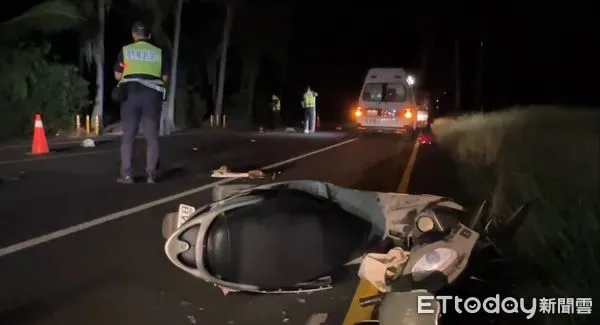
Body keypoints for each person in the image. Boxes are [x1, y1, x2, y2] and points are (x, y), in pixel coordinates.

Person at [113, 21, 169, 184]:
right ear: (149, 36)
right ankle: (151, 174)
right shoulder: (158, 53)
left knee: (129, 137)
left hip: (130, 96)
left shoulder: (127, 51)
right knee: (152, 137)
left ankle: (127, 175)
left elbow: (118, 74)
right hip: (152, 97)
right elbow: (165, 78)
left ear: (133, 34)